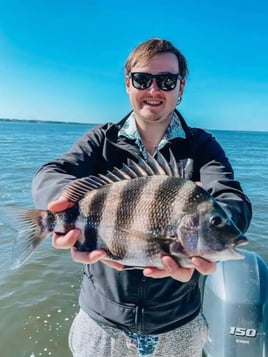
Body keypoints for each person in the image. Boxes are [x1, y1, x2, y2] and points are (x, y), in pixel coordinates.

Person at [32, 38, 252, 357]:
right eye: (142, 79)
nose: (154, 89)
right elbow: (50, 173)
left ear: (181, 87)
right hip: (102, 322)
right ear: (127, 83)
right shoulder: (101, 140)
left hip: (179, 323)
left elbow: (232, 198)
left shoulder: (202, 146)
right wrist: (60, 201)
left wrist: (214, 223)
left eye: (166, 81)